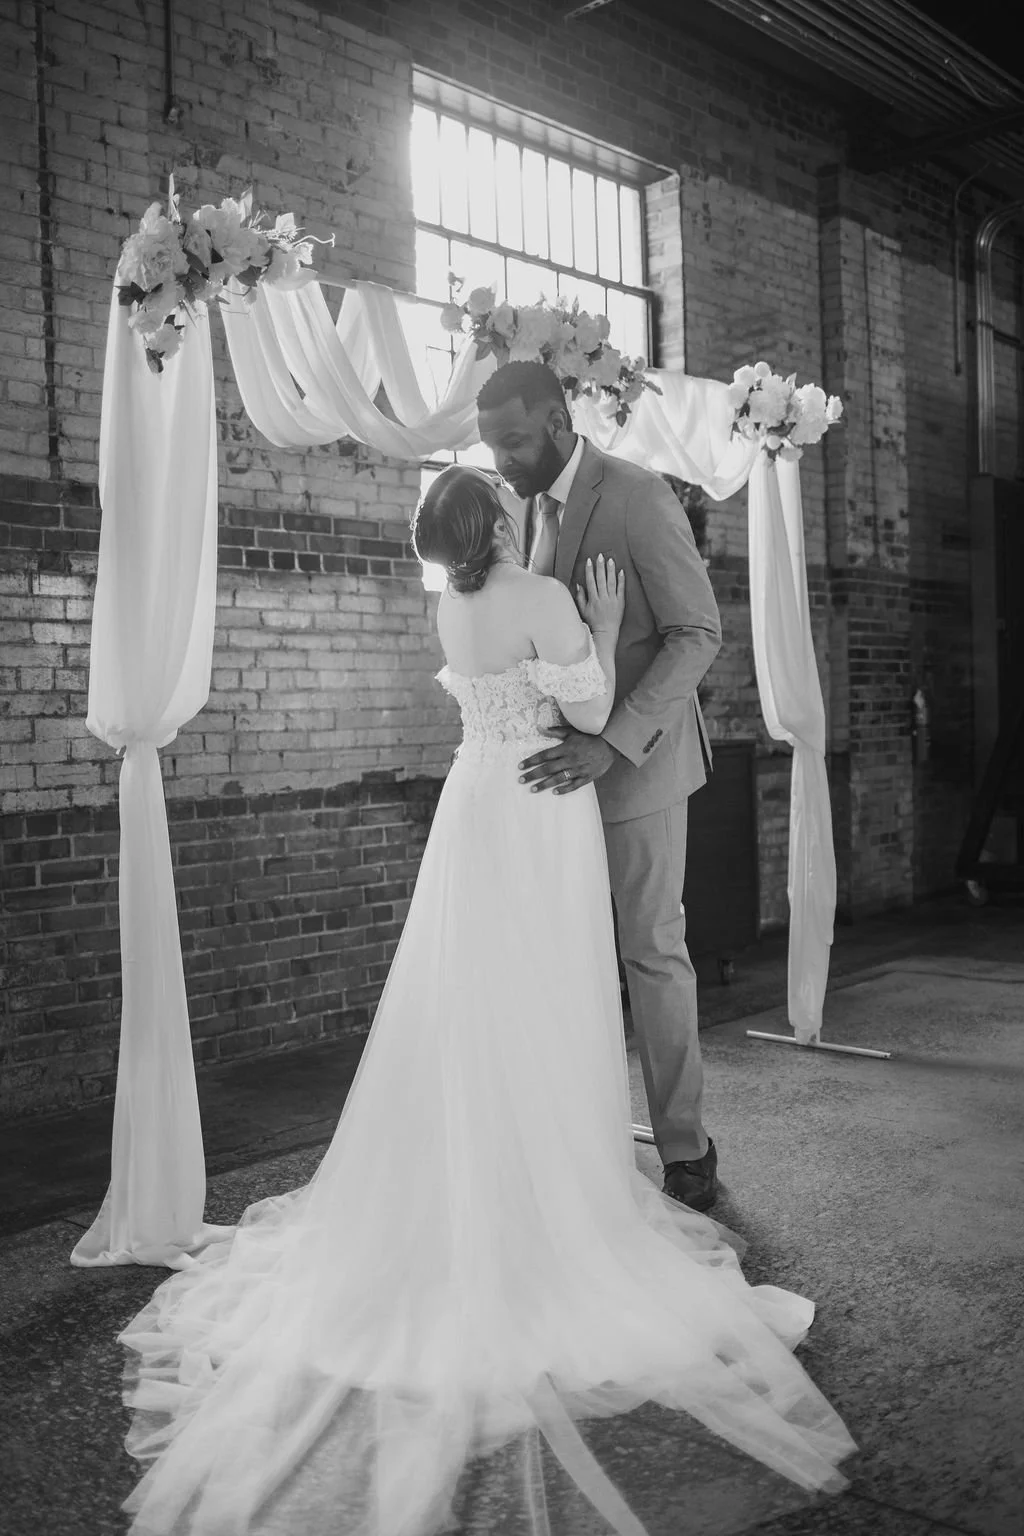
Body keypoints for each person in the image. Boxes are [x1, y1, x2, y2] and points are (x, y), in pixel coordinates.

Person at [116, 465, 854, 1536]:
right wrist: (597, 626)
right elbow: (588, 706)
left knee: (469, 995)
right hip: (541, 808)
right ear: (497, 522)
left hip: (474, 807)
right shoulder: (546, 596)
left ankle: (479, 1171)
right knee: (551, 991)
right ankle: (553, 1182)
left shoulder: (451, 603)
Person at [476, 361, 721, 1212]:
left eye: (512, 441)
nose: (501, 461)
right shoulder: (514, 507)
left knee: (651, 951)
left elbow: (697, 633)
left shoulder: (637, 495)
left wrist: (612, 745)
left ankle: (685, 1149)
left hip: (638, 767)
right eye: (490, 446)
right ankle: (572, 1142)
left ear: (554, 422)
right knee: (561, 957)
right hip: (549, 778)